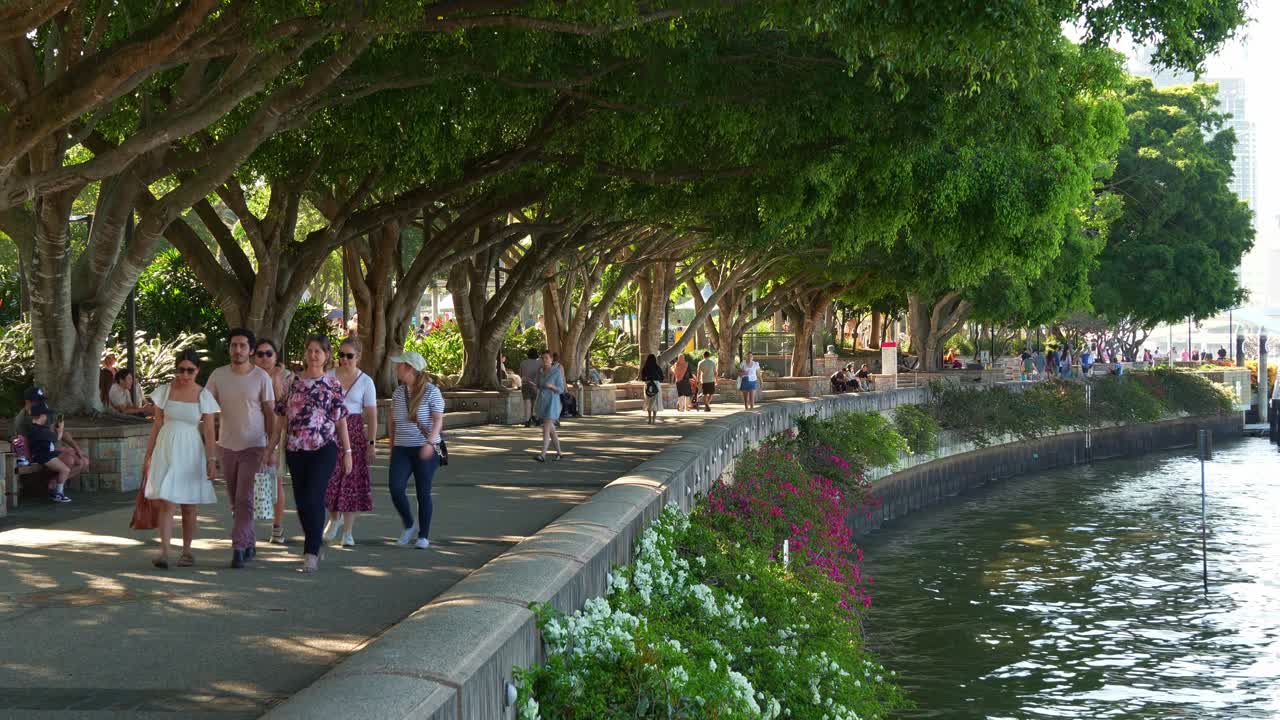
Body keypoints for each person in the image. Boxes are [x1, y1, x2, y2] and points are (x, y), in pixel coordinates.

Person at [270, 335, 352, 573]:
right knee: (303, 502)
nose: (314, 355)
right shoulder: (292, 383)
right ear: (305, 354)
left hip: (323, 448)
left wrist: (347, 451)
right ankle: (315, 541)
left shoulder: (333, 385)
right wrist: (271, 448)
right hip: (296, 448)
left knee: (314, 496)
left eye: (319, 351)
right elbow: (281, 420)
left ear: (326, 356)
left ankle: (311, 552)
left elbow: (341, 421)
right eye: (310, 350)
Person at [141, 350, 220, 569]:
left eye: (190, 370)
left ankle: (187, 550)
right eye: (181, 370)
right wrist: (148, 455)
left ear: (197, 371)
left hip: (191, 449)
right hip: (166, 447)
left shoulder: (203, 395)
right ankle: (164, 551)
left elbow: (210, 431)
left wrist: (211, 460)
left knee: (189, 505)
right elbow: (157, 424)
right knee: (167, 500)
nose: (184, 375)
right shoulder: (164, 392)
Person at [206, 328, 276, 568]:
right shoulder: (218, 375)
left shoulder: (261, 378)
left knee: (244, 498)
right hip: (226, 446)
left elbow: (270, 413)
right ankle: (249, 540)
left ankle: (238, 546)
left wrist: (271, 448)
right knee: (235, 501)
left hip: (254, 446)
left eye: (243, 346)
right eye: (234, 345)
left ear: (251, 350)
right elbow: (205, 408)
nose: (238, 350)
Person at [322, 338, 378, 547]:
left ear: (358, 357)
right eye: (341, 355)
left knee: (351, 482)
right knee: (330, 478)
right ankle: (333, 518)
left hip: (354, 434)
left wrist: (371, 443)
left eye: (349, 356)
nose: (344, 360)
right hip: (330, 431)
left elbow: (371, 415)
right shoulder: (329, 376)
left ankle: (347, 531)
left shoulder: (366, 382)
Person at [386, 351, 445, 550]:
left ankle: (423, 535)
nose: (396, 369)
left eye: (399, 365)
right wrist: (392, 446)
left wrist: (430, 443)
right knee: (395, 487)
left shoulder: (431, 392)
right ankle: (409, 524)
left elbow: (438, 421)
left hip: (424, 447)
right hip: (402, 447)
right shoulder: (398, 393)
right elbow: (393, 422)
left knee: (423, 492)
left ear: (409, 368)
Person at [253, 338, 293, 542]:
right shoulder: (249, 376)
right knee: (249, 482)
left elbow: (282, 405)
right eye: (260, 354)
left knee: (276, 481)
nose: (264, 358)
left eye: (269, 353)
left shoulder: (287, 377)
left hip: (275, 434)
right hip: (251, 434)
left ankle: (277, 527)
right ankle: (245, 528)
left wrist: (276, 378)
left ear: (276, 357)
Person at [14, 386, 90, 483]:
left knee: (84, 461)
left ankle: (54, 483)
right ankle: (55, 488)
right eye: (38, 400)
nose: (42, 403)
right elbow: (22, 441)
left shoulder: (44, 410)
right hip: (39, 453)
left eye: (42, 400)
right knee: (69, 460)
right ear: (28, 402)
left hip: (52, 449)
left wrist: (76, 448)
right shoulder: (22, 420)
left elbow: (60, 426)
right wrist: (28, 461)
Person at [26, 402, 72, 503]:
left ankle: (54, 489)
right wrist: (60, 430)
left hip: (46, 454)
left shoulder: (37, 428)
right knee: (65, 470)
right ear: (42, 416)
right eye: (46, 415)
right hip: (43, 456)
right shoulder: (38, 430)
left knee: (69, 456)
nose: (47, 417)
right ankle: (59, 494)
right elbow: (56, 439)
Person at [533, 351, 565, 462]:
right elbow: (538, 386)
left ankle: (543, 454)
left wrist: (552, 386)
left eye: (546, 358)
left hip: (552, 403)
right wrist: (530, 383)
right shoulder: (540, 371)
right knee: (552, 431)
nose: (544, 360)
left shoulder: (556, 372)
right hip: (542, 402)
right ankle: (559, 453)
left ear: (551, 359)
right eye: (543, 358)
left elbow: (561, 389)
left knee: (546, 429)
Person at [518, 349, 541, 427]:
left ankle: (527, 420)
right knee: (534, 403)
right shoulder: (540, 363)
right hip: (536, 385)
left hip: (526, 384)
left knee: (527, 403)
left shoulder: (523, 363)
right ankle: (534, 417)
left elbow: (520, 375)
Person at [640, 353, 664, 424]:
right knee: (655, 403)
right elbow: (662, 377)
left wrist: (648, 379)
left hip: (648, 385)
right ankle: (654, 420)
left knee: (649, 402)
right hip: (656, 385)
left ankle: (649, 419)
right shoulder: (657, 367)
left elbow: (643, 378)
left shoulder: (645, 368)